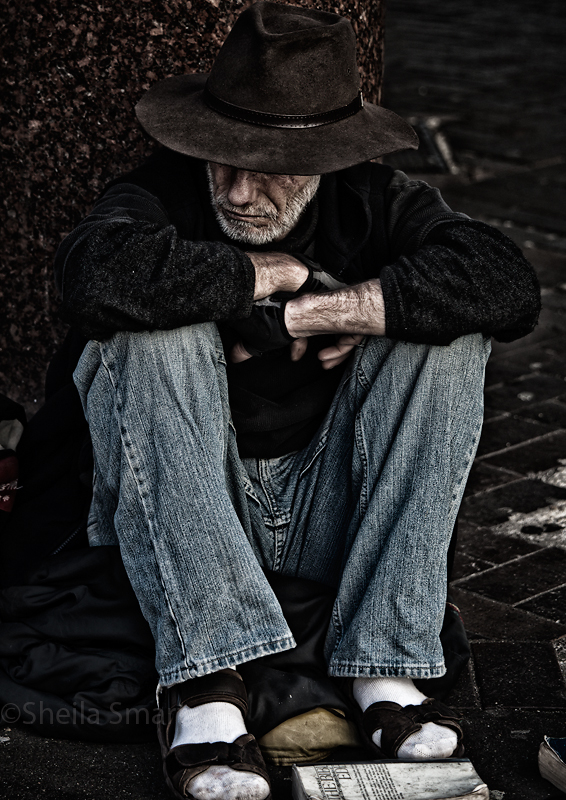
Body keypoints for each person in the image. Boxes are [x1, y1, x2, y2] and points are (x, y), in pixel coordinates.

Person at [54, 3, 540, 799]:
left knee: (446, 338)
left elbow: (504, 284)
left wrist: (318, 312)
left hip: (326, 509)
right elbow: (92, 275)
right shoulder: (156, 194)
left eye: (270, 166)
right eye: (224, 160)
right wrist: (255, 278)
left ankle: (384, 672)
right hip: (190, 510)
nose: (241, 191)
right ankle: (207, 687)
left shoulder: (374, 199)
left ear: (323, 158)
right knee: (148, 330)